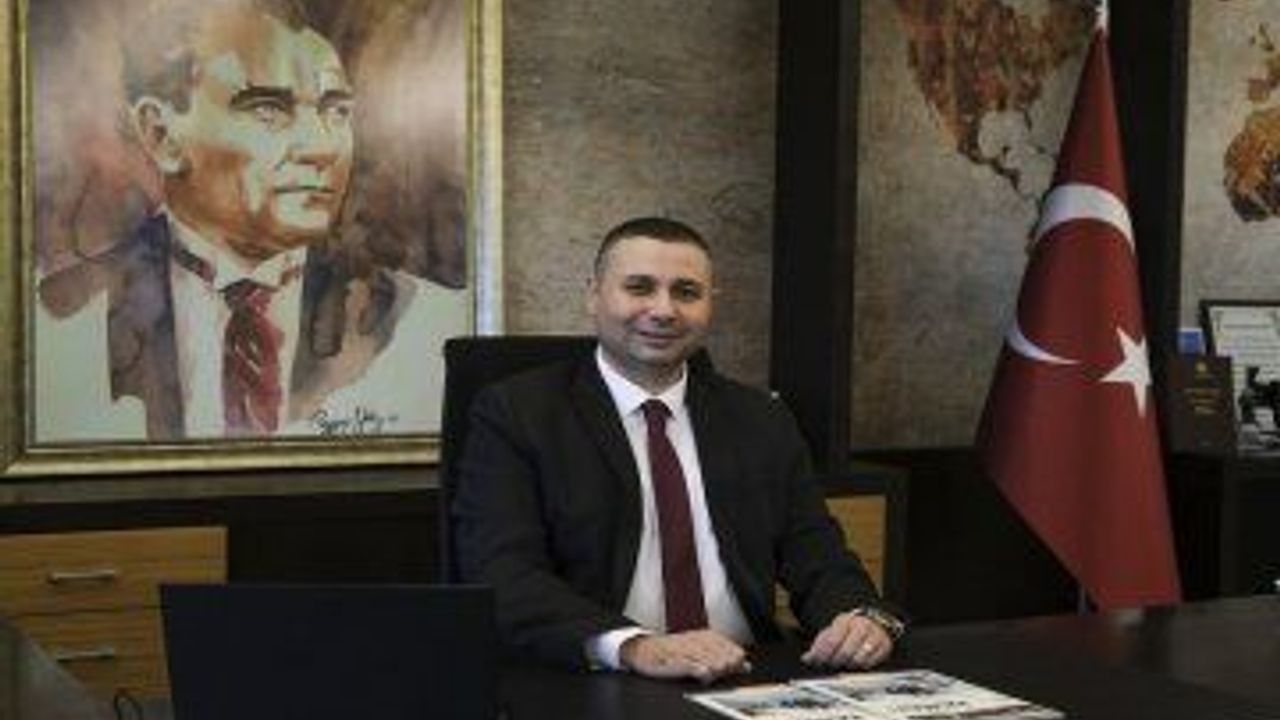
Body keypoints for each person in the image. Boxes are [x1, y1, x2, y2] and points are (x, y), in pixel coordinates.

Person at [453, 217, 904, 683]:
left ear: (710, 304)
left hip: (745, 676)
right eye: (639, 287)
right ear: (593, 295)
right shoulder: (518, 415)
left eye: (686, 292)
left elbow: (818, 555)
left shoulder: (761, 419)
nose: (664, 310)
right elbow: (503, 574)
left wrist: (861, 617)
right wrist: (634, 646)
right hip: (598, 681)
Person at [33, 0, 463, 441]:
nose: (321, 147)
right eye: (268, 110)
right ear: (161, 136)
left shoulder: (414, 320)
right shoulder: (61, 322)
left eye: (335, 111)